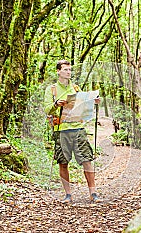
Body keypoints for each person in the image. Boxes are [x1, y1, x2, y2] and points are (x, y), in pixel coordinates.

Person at [44, 59, 101, 203]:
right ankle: (68, 195)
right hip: (61, 129)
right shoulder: (52, 89)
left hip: (78, 128)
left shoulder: (75, 88)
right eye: (65, 70)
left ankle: (93, 193)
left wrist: (93, 101)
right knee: (63, 162)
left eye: (70, 70)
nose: (68, 72)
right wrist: (56, 104)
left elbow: (82, 102)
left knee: (86, 159)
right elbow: (46, 109)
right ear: (58, 71)